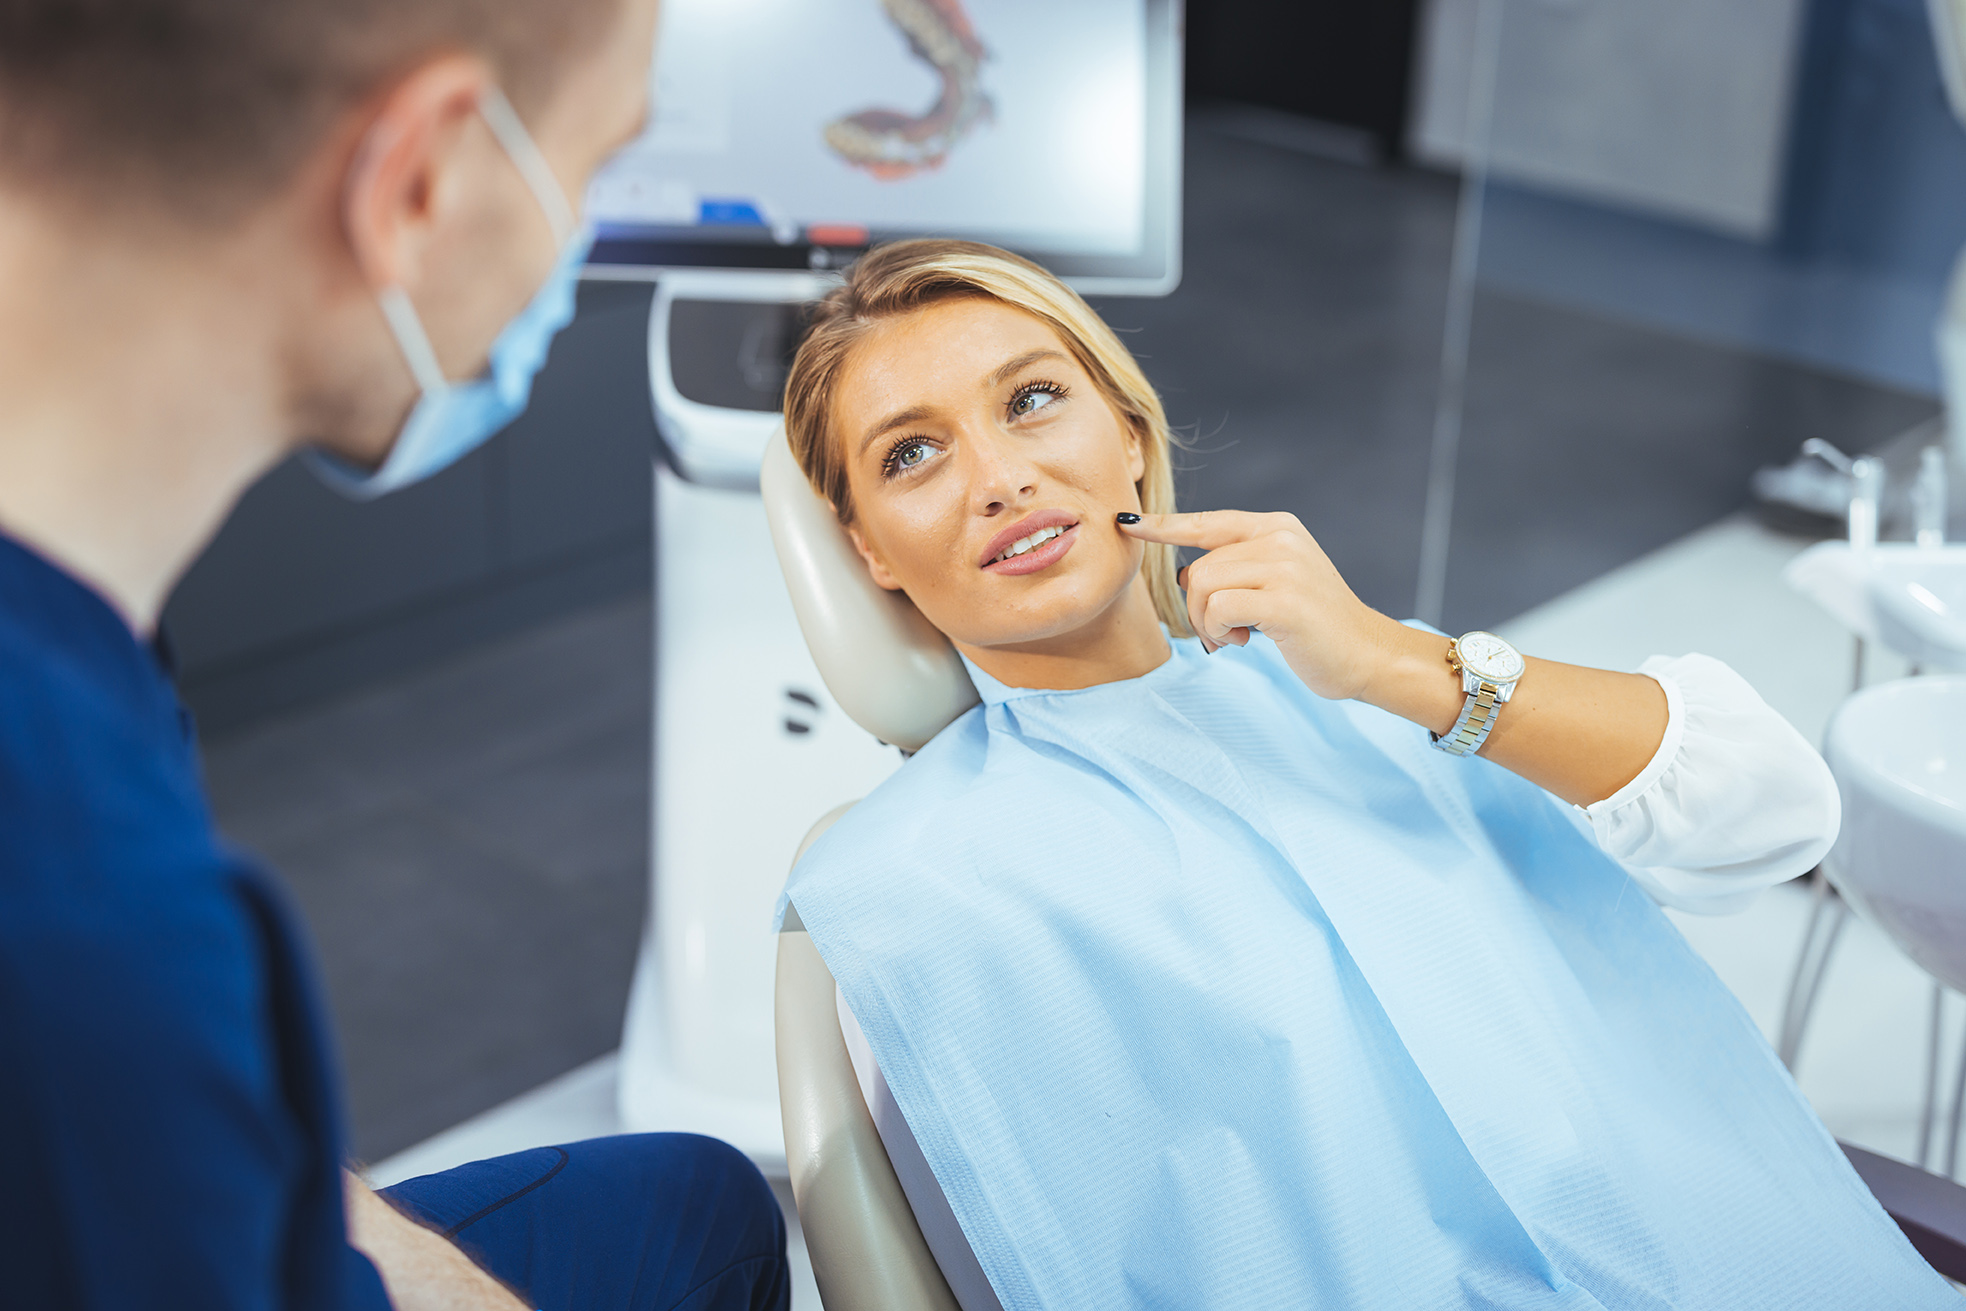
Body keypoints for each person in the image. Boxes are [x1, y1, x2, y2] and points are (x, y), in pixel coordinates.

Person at [777, 239, 1956, 1307]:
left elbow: (1775, 814)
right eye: (913, 453)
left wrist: (1403, 665)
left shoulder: (1375, 686)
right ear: (868, 548)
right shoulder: (912, 891)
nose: (998, 476)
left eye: (1033, 400)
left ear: (1127, 434)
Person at [0, 2, 789, 1308]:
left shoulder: (91, 638)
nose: (571, 237)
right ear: (417, 181)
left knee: (690, 1200)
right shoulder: (95, 921)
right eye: (594, 166)